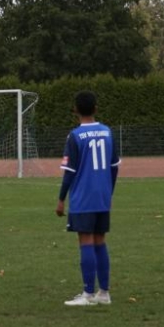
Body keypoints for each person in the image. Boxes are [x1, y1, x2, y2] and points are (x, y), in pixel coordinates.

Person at [56, 91, 120, 306]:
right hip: (102, 196)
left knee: (85, 241)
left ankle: (88, 294)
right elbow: (114, 167)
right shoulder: (107, 132)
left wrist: (61, 199)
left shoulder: (74, 136)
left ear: (75, 110)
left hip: (83, 196)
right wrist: (109, 192)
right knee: (100, 241)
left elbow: (69, 172)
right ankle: (104, 293)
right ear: (96, 109)